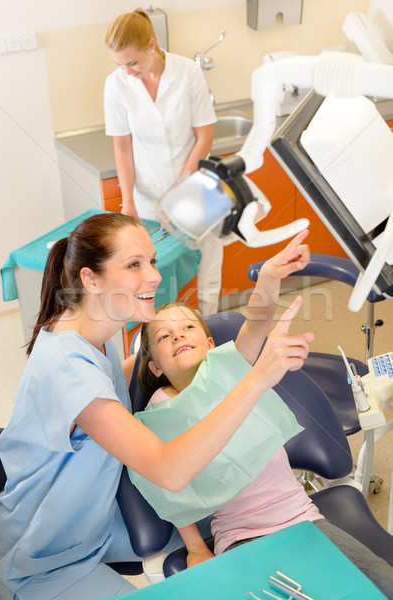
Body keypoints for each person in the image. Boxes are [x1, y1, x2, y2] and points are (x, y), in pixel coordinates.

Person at [0, 213, 314, 600]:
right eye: (133, 265)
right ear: (90, 280)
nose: (155, 276)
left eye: (151, 261)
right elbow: (169, 471)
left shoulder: (96, 336)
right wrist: (258, 376)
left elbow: (139, 371)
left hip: (97, 526)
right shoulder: (68, 368)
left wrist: (266, 283)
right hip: (45, 558)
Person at [136, 232, 393, 599]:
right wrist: (195, 546)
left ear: (212, 345)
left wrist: (270, 278)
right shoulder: (161, 408)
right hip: (243, 537)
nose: (178, 336)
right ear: (155, 367)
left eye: (188, 327)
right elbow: (171, 490)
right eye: (164, 337)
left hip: (303, 520)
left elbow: (258, 320)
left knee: (380, 584)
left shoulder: (232, 365)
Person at [104, 8, 223, 317]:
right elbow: (122, 149)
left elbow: (204, 138)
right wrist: (127, 202)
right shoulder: (116, 85)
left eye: (133, 62)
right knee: (155, 275)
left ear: (152, 45)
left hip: (195, 189)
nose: (127, 71)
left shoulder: (187, 73)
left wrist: (180, 189)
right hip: (147, 199)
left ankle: (211, 330)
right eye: (120, 64)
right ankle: (161, 342)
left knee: (207, 268)